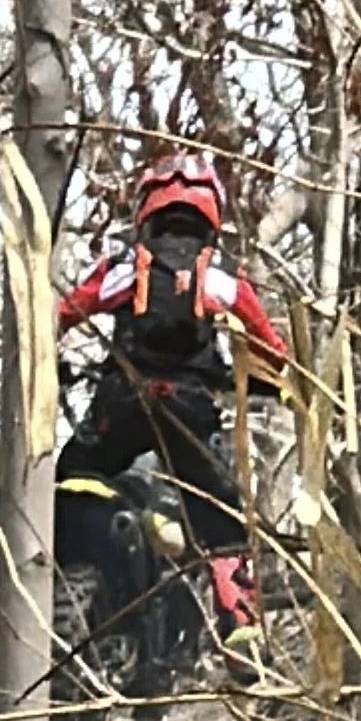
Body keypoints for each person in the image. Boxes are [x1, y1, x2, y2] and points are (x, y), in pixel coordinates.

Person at [55, 150, 286, 678]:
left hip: (123, 403)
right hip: (189, 411)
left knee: (73, 475)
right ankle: (242, 637)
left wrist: (44, 362)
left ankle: (46, 569)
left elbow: (66, 312)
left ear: (147, 209)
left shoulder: (123, 267)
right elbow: (271, 350)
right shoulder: (223, 278)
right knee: (224, 519)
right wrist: (283, 384)